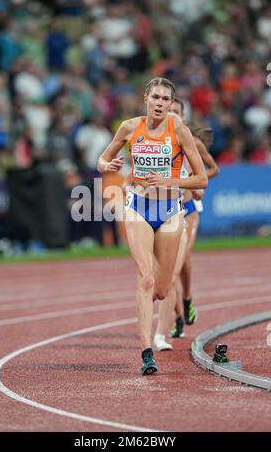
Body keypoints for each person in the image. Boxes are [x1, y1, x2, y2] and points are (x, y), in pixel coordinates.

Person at [98, 78, 207, 375]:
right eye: (156, 97)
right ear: (146, 98)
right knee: (145, 279)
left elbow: (202, 179)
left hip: (171, 210)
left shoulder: (180, 131)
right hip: (138, 208)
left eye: (166, 99)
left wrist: (171, 181)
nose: (160, 103)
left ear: (171, 104)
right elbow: (103, 159)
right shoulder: (130, 127)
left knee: (161, 289)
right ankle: (147, 351)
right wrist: (107, 166)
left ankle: (175, 306)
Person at [153, 98, 219, 349]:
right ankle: (178, 316)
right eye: (168, 111)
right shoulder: (156, 141)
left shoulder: (193, 142)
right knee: (167, 269)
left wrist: (192, 179)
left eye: (176, 111)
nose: (171, 114)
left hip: (188, 208)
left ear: (183, 116)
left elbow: (212, 170)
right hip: (164, 208)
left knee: (183, 260)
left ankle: (187, 299)